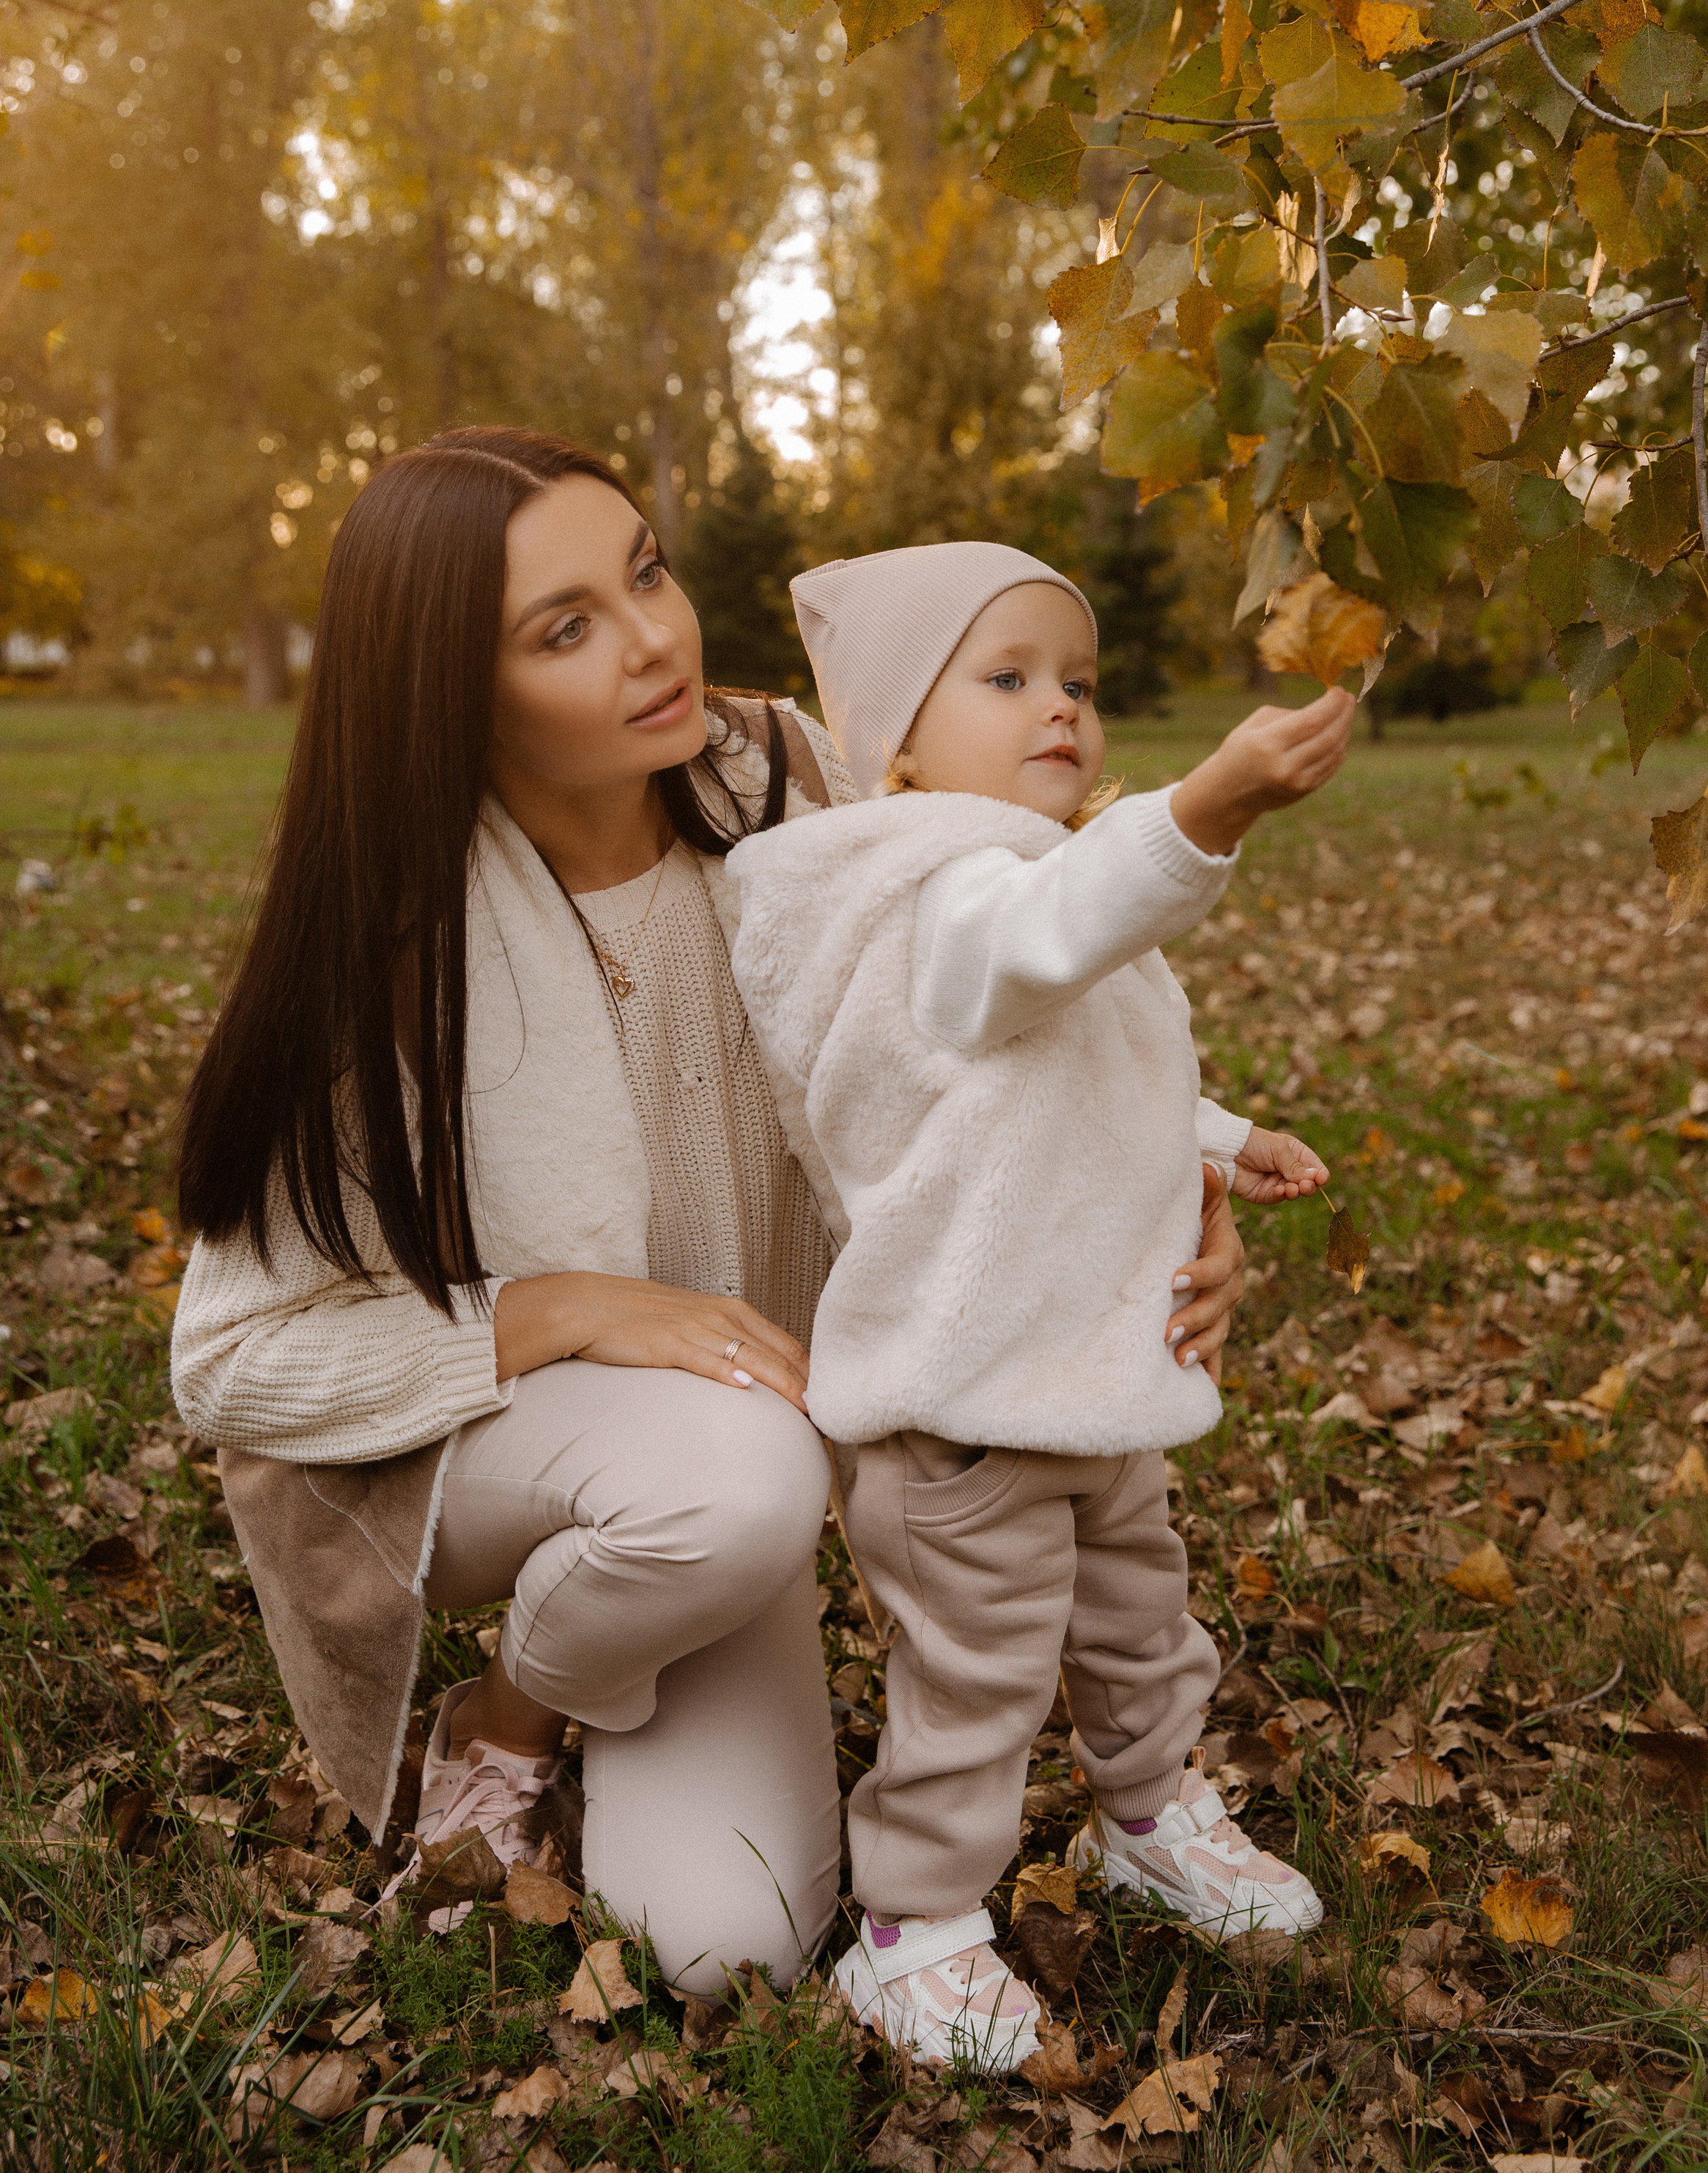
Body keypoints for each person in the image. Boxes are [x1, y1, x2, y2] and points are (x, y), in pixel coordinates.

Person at [168, 437, 1252, 1997]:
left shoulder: (802, 785)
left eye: (646, 570)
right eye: (564, 629)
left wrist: (1178, 1207)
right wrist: (575, 1309)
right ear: (445, 692)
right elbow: (226, 1366)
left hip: (739, 1443)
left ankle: (626, 1640)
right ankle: (510, 1717)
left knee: (719, 1938)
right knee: (737, 1473)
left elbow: (1030, 1016)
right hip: (500, 1451)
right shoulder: (397, 945)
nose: (654, 638)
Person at [722, 542, 1356, 2067]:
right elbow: (1028, 952)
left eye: (1074, 681)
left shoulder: (1025, 892)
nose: (1059, 709)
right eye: (1004, 678)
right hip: (962, 1410)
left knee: (1140, 1620)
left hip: (1076, 1377)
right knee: (976, 1671)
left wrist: (1217, 1137)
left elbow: (1076, 1081)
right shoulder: (933, 902)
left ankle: (1147, 1815)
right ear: (897, 747)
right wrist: (1200, 811)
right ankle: (912, 1928)